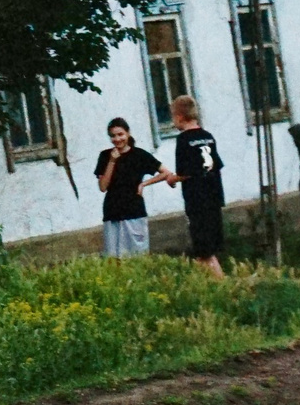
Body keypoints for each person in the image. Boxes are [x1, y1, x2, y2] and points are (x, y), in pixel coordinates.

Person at [155, 95, 227, 276]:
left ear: (179, 116)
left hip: (197, 199)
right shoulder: (208, 137)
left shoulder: (184, 140)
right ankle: (211, 283)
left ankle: (220, 286)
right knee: (208, 249)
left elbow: (185, 171)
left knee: (203, 251)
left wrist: (172, 178)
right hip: (214, 196)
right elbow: (215, 164)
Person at [94, 118, 162, 259]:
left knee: (138, 257)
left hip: (134, 212)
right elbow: (102, 187)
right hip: (112, 212)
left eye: (120, 134)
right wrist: (112, 161)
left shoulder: (139, 155)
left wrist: (144, 184)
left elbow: (166, 173)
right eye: (113, 136)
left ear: (128, 134)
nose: (117, 139)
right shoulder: (105, 156)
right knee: (114, 259)